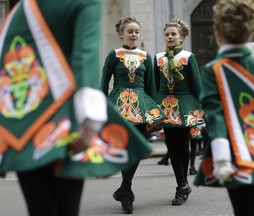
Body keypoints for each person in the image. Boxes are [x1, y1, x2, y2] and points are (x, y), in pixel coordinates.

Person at [0, 1, 151, 216]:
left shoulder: (22, 7)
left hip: (23, 117)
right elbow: (85, 58)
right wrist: (91, 123)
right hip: (66, 116)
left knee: (39, 207)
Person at [194, 0, 254, 215]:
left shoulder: (212, 70)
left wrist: (220, 157)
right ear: (251, 33)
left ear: (218, 34)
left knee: (241, 210)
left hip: (232, 155)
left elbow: (215, 115)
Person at [101, 16, 165, 214]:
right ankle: (126, 192)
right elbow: (104, 82)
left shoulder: (146, 56)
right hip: (119, 104)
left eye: (137, 31)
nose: (134, 35)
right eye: (130, 31)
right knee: (124, 147)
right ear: (121, 34)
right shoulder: (114, 54)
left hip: (140, 105)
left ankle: (124, 188)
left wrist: (154, 113)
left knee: (138, 147)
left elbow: (151, 86)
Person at [154, 18, 205, 206]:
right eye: (167, 34)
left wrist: (201, 110)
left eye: (173, 34)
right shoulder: (158, 58)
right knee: (172, 146)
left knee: (183, 146)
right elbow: (155, 84)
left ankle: (182, 185)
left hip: (184, 105)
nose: (169, 37)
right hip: (165, 106)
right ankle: (182, 185)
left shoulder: (188, 57)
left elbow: (196, 85)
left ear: (181, 37)